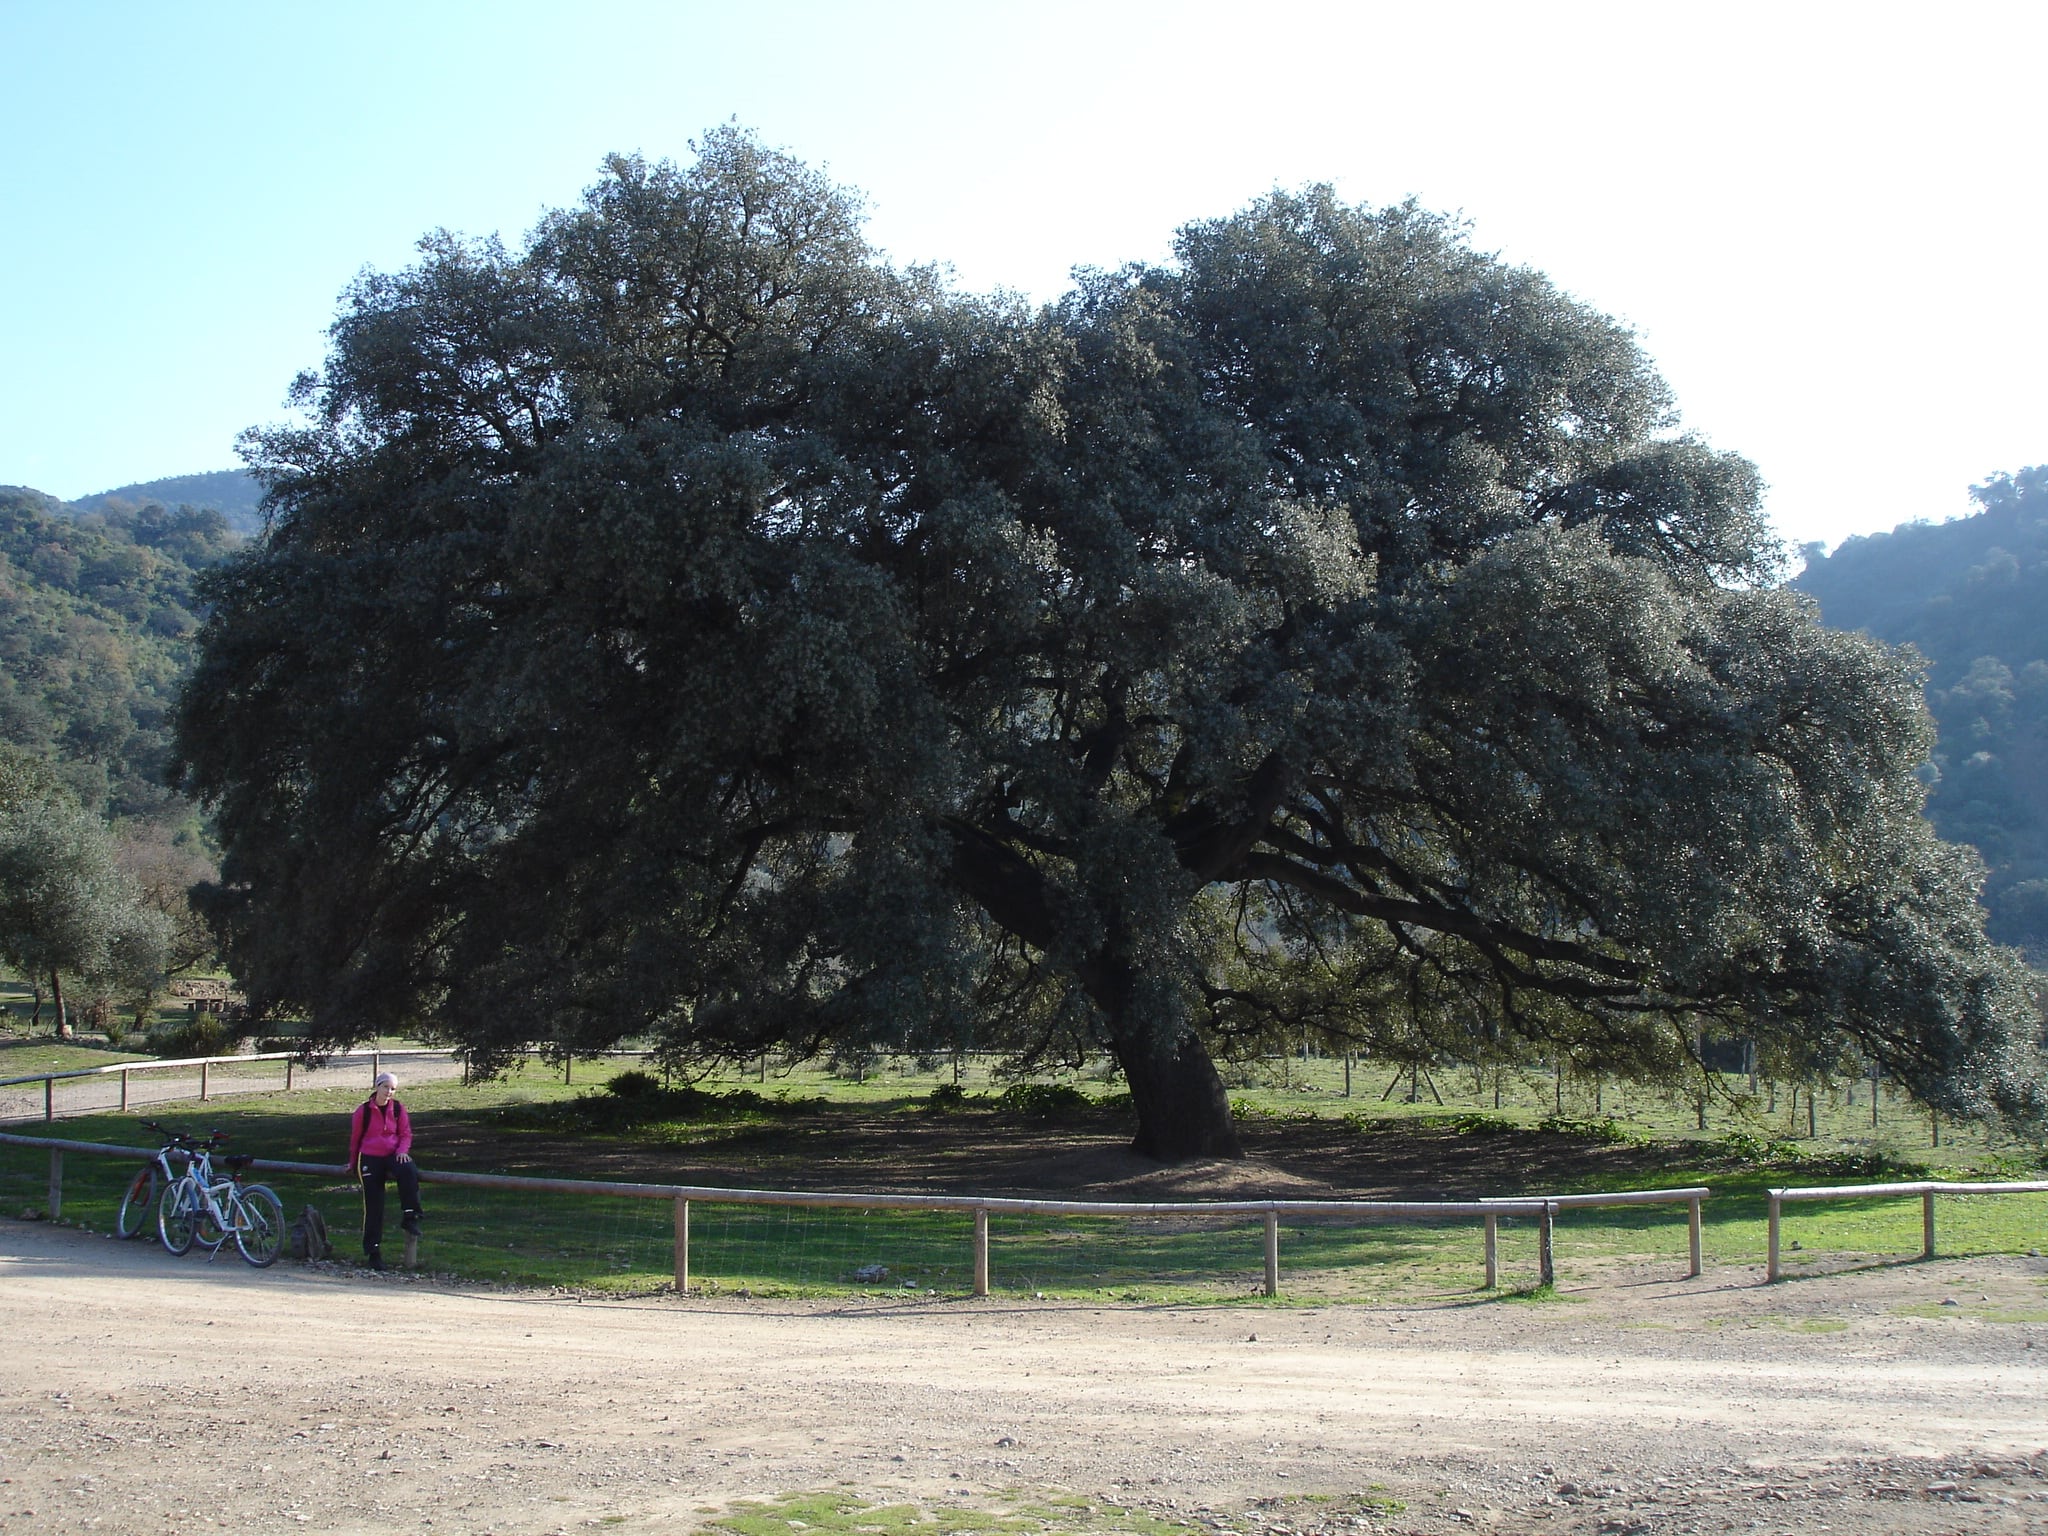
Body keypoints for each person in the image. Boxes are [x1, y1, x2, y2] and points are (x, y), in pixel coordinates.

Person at [347, 1071, 422, 1270]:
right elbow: (355, 1139)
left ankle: (410, 1215)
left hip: (392, 1152)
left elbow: (405, 1133)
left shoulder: (398, 1108)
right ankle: (373, 1252)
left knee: (408, 1171)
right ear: (377, 1087)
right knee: (374, 1205)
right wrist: (353, 1162)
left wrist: (402, 1151)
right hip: (370, 1156)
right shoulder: (363, 1111)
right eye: (385, 1087)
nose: (389, 1092)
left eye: (392, 1088)